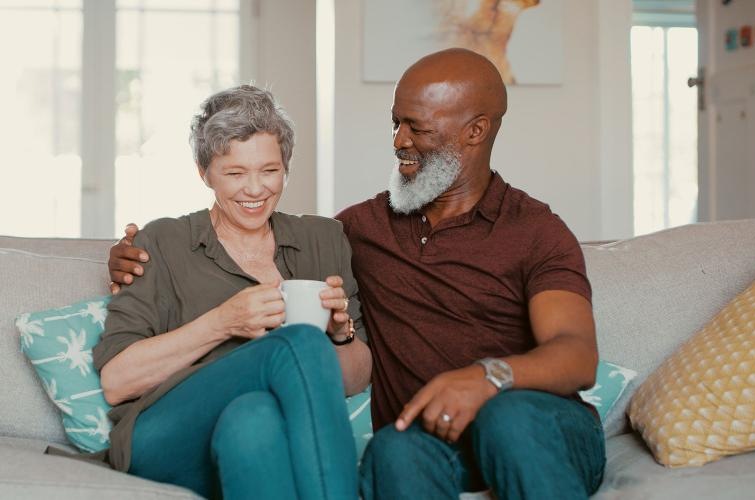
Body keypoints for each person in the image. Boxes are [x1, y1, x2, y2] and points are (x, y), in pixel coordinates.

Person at [111, 49, 606, 499]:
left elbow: (577, 354)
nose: (398, 141)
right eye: (395, 124)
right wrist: (124, 257)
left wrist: (488, 378)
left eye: (416, 127)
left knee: (509, 417)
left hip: (531, 423)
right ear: (206, 173)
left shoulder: (536, 229)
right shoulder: (360, 229)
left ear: (474, 131)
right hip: (426, 435)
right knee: (392, 448)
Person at [100, 85, 371, 499]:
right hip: (165, 436)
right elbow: (117, 382)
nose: (255, 189)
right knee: (296, 342)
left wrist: (340, 334)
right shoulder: (162, 241)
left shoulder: (324, 239)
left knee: (253, 420)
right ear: (204, 172)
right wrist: (223, 321)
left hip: (252, 430)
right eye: (234, 173)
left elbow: (356, 377)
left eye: (269, 170)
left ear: (286, 168)